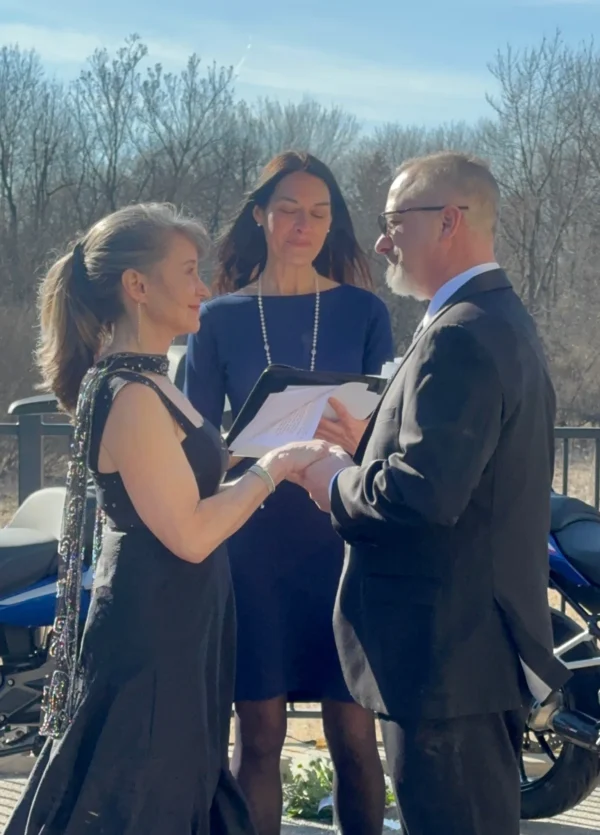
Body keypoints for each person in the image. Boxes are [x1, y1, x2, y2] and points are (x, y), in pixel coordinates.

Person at [4, 203, 333, 835]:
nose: (203, 289)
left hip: (181, 616)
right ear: (137, 286)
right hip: (153, 625)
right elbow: (190, 533)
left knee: (177, 784)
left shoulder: (154, 382)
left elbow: (189, 468)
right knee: (145, 793)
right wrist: (281, 466)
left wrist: (279, 434)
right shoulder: (130, 395)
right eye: (188, 271)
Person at [293, 152, 572, 835]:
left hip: (445, 664)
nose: (382, 242)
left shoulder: (462, 334)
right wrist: (369, 441)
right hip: (463, 660)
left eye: (393, 222)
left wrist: (330, 479)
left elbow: (421, 498)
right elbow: (463, 473)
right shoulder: (490, 318)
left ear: (449, 220)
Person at [185, 151, 393, 835]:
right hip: (252, 541)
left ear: (333, 223)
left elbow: (387, 436)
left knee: (356, 736)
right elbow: (192, 441)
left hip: (340, 537)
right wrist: (245, 443)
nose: (305, 224)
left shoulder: (365, 310)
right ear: (260, 216)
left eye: (320, 212)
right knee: (261, 737)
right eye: (290, 209)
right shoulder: (217, 318)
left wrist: (359, 435)